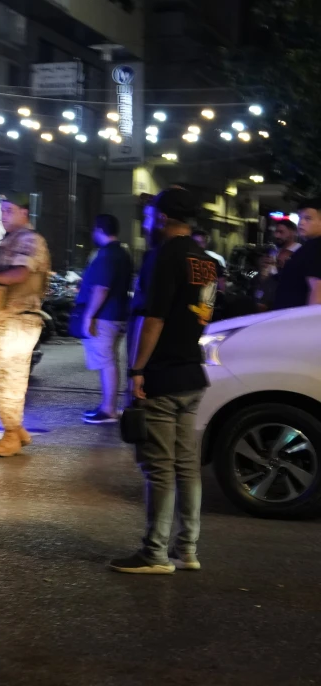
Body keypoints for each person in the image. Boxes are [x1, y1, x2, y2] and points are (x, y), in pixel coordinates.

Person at [110, 186, 217, 574]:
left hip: (164, 374)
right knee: (187, 466)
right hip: (192, 372)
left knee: (159, 467)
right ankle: (186, 549)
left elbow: (154, 318)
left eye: (152, 213)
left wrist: (138, 369)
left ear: (163, 217)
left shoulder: (163, 256)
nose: (149, 219)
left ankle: (155, 553)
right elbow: (201, 313)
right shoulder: (206, 260)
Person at [0, 192, 50, 456]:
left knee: (10, 379)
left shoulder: (31, 240)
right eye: (1, 211)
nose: (3, 216)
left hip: (19, 319)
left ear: (24, 212)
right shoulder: (9, 240)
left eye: (8, 210)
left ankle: (10, 434)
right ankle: (15, 428)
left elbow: (19, 274)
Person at [73, 214, 132, 423]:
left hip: (104, 317)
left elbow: (101, 289)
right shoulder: (123, 254)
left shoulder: (106, 255)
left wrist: (89, 316)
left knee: (107, 362)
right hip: (118, 315)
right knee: (111, 361)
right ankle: (109, 407)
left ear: (99, 230)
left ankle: (108, 409)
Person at [271, 200, 321, 309]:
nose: (301, 222)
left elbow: (317, 290)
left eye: (308, 219)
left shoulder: (316, 247)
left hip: (298, 322)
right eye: (300, 218)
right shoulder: (309, 246)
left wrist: (310, 323)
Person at [254, 217, 299, 310]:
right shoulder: (273, 252)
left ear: (293, 233)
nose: (277, 236)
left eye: (281, 232)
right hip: (266, 305)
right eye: (276, 232)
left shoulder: (300, 253)